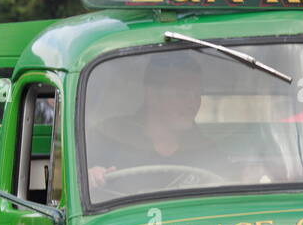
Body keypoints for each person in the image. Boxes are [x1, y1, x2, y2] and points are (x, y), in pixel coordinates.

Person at [88, 56, 217, 191]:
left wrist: (241, 175)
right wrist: (91, 175)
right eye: (182, 93)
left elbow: (227, 177)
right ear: (152, 95)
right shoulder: (108, 135)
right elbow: (75, 180)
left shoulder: (204, 147)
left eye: (197, 95)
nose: (193, 103)